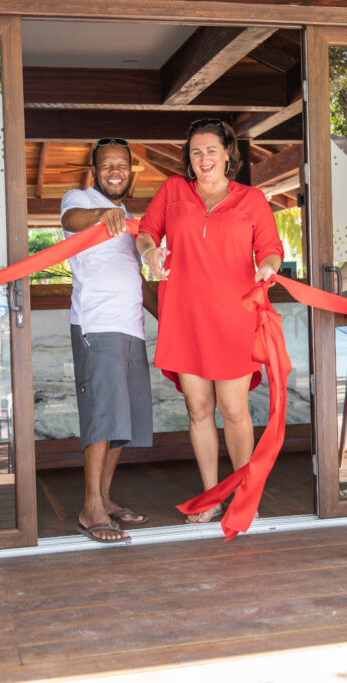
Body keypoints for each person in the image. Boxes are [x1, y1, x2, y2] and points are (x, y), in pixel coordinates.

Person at [136, 119, 283, 523]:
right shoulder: (172, 191)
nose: (204, 159)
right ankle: (211, 496)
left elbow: (271, 249)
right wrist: (150, 253)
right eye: (196, 152)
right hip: (185, 317)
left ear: (227, 154)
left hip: (235, 318)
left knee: (233, 410)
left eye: (211, 151)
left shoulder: (251, 199)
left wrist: (268, 267)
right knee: (199, 410)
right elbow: (145, 233)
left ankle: (244, 496)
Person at [60, 137, 153, 543]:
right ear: (94, 171)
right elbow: (72, 220)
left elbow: (138, 278)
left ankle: (104, 498)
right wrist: (103, 214)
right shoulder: (79, 199)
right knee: (102, 416)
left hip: (131, 327)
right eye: (107, 165)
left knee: (121, 420)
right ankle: (89, 509)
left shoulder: (129, 218)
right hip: (96, 325)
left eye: (122, 165)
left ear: (130, 172)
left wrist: (168, 317)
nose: (115, 171)